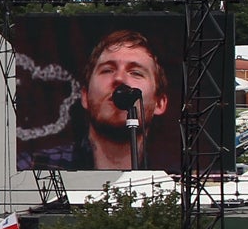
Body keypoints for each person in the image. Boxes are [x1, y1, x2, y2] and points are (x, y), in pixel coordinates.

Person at [56, 27, 174, 171]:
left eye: (135, 73)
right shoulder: (35, 164)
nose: (119, 78)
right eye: (107, 70)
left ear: (160, 103)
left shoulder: (175, 177)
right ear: (85, 97)